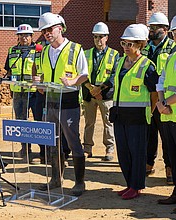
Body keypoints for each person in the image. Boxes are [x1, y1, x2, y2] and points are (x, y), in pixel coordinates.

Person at [37, 12, 88, 196]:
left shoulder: (75, 49)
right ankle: (56, 179)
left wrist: (73, 81)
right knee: (52, 143)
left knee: (73, 142)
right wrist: (39, 83)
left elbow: (84, 74)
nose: (47, 33)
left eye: (50, 29)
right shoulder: (44, 52)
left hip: (68, 102)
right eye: (44, 31)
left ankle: (80, 182)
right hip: (50, 101)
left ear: (60, 28)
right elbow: (44, 76)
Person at [110, 24, 159, 199]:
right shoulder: (120, 62)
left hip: (138, 117)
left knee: (137, 153)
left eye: (129, 44)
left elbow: (155, 94)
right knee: (123, 152)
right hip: (120, 114)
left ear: (140, 45)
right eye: (123, 43)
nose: (125, 48)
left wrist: (150, 111)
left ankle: (136, 186)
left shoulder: (148, 66)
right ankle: (129, 184)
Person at [142, 12, 176, 184]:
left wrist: (161, 100)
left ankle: (169, 168)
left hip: (166, 102)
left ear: (165, 29)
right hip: (148, 97)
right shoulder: (146, 47)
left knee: (167, 136)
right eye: (150, 27)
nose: (152, 30)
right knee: (149, 133)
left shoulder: (172, 47)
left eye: (155, 27)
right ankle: (149, 163)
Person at [82, 22, 119, 161]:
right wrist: (91, 89)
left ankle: (109, 149)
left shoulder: (114, 54)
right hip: (89, 93)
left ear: (107, 37)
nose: (98, 40)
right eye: (95, 37)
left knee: (108, 123)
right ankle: (87, 148)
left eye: (101, 36)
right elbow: (81, 73)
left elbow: (114, 76)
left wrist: (100, 89)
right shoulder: (86, 54)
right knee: (89, 122)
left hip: (106, 94)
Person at [4, 24, 41, 158]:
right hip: (18, 93)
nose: (24, 38)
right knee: (21, 121)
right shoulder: (12, 51)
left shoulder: (39, 50)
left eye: (27, 35)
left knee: (39, 120)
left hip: (35, 92)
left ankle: (43, 151)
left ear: (32, 36)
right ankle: (25, 148)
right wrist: (10, 89)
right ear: (18, 37)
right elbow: (8, 70)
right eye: (21, 35)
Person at [156, 15, 176, 204]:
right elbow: (161, 82)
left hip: (171, 112)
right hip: (168, 115)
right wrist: (161, 103)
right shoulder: (171, 58)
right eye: (175, 33)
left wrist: (165, 104)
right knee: (172, 155)